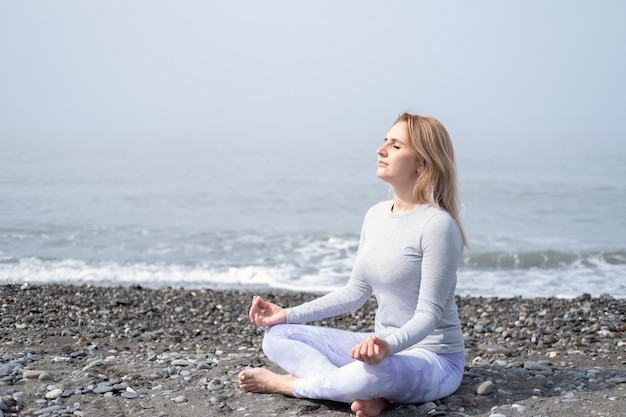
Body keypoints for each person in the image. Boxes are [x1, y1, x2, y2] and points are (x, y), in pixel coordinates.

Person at [238, 112, 468, 417]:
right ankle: (361, 393)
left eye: (396, 146)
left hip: (433, 358)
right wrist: (287, 314)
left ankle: (289, 385)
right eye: (385, 141)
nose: (381, 149)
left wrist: (387, 346)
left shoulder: (437, 225)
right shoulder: (375, 215)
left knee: (372, 374)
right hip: (379, 350)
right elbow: (355, 292)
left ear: (422, 163)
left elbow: (429, 314)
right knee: (278, 337)